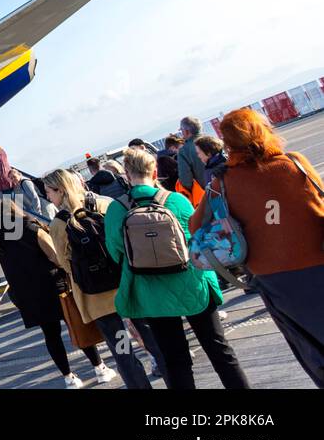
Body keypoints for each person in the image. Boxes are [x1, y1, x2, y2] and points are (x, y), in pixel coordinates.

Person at [191, 108, 324, 387]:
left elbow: (195, 227)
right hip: (318, 263)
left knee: (312, 351)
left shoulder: (221, 183)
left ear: (227, 143)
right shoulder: (293, 163)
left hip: (273, 280)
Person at [104, 147, 250, 389]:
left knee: (175, 361)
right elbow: (197, 237)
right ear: (154, 171)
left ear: (127, 174)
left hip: (151, 293)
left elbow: (115, 251)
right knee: (220, 351)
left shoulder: (116, 210)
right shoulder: (176, 200)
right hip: (192, 283)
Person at [42, 169, 152, 388]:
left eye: (49, 192)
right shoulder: (103, 204)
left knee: (123, 352)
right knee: (152, 339)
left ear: (60, 190)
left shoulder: (59, 224)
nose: (47, 197)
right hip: (127, 286)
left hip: (99, 299)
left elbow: (65, 264)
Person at [0, 199, 109, 388]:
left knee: (51, 336)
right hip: (53, 286)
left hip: (28, 295)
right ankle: (99, 368)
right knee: (76, 326)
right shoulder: (30, 228)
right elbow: (54, 255)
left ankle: (69, 377)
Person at [176, 116, 208, 202]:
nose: (181, 133)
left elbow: (186, 181)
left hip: (208, 195)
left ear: (186, 131)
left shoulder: (184, 151)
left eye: (181, 131)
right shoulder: (214, 141)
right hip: (229, 186)